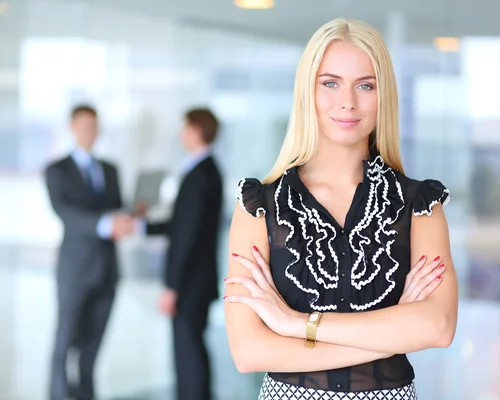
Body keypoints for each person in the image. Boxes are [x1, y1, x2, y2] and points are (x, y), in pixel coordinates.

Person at [223, 19, 458, 399]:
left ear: (384, 96)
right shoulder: (258, 208)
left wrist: (295, 323)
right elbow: (248, 352)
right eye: (330, 83)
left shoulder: (420, 206)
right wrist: (391, 334)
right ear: (307, 92)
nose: (348, 101)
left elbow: (439, 327)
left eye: (365, 85)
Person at [45, 105, 135, 400]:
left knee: (92, 349)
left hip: (107, 269)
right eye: (83, 125)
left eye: (94, 126)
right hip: (75, 269)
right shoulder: (57, 170)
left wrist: (130, 216)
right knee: (63, 344)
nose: (89, 131)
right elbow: (66, 212)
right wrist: (106, 223)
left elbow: (116, 209)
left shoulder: (110, 170)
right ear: (71, 127)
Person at [144, 108, 223, 400]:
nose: (181, 133)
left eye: (184, 127)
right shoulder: (206, 170)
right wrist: (141, 226)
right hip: (198, 281)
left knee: (187, 353)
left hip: (190, 283)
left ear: (196, 130)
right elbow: (182, 225)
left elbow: (185, 237)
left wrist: (171, 287)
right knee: (192, 348)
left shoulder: (200, 174)